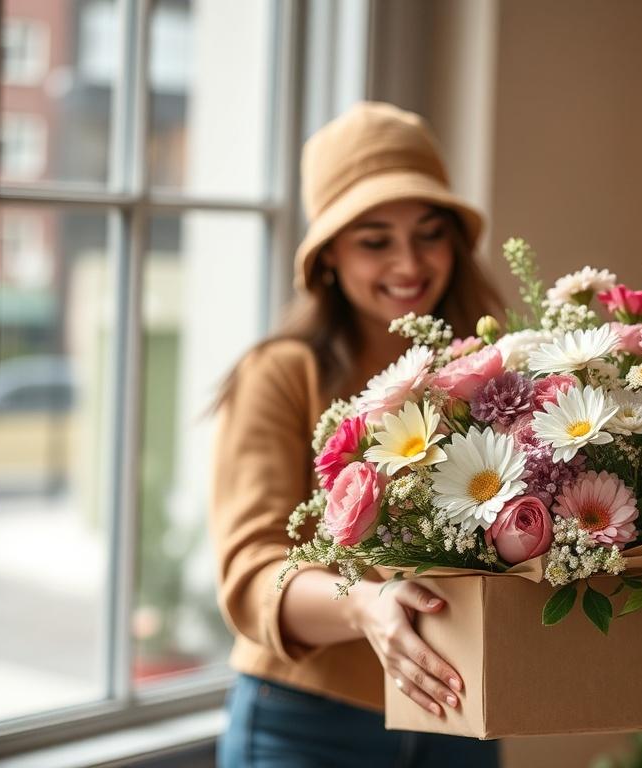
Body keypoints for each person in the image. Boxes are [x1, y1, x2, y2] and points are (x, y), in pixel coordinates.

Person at [210, 102, 503, 767]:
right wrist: (365, 605)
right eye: (375, 240)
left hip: (463, 711)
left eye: (429, 234)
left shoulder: (486, 370)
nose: (409, 262)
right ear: (329, 257)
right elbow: (252, 576)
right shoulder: (282, 375)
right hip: (306, 723)